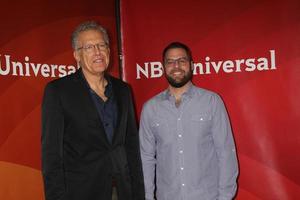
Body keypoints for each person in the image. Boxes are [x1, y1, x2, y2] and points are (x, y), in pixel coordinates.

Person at [41, 21, 145, 200]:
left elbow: (132, 146)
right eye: (89, 47)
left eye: (102, 45)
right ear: (77, 55)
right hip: (80, 192)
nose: (97, 52)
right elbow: (51, 156)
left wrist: (138, 193)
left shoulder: (123, 90)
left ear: (109, 50)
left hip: (122, 190)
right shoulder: (58, 91)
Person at [139, 42, 239, 200]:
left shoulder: (212, 102)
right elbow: (146, 158)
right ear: (163, 67)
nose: (176, 66)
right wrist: (148, 196)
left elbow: (226, 153)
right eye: (170, 62)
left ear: (191, 65)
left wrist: (225, 197)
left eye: (182, 60)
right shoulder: (150, 109)